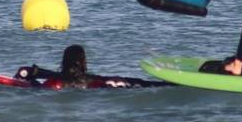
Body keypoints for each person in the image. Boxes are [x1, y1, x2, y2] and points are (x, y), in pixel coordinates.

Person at [15, 44, 167, 89]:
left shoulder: (53, 82)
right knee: (135, 82)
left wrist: (26, 76)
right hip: (93, 88)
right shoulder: (95, 81)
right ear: (82, 62)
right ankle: (166, 84)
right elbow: (127, 81)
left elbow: (26, 77)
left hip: (57, 88)